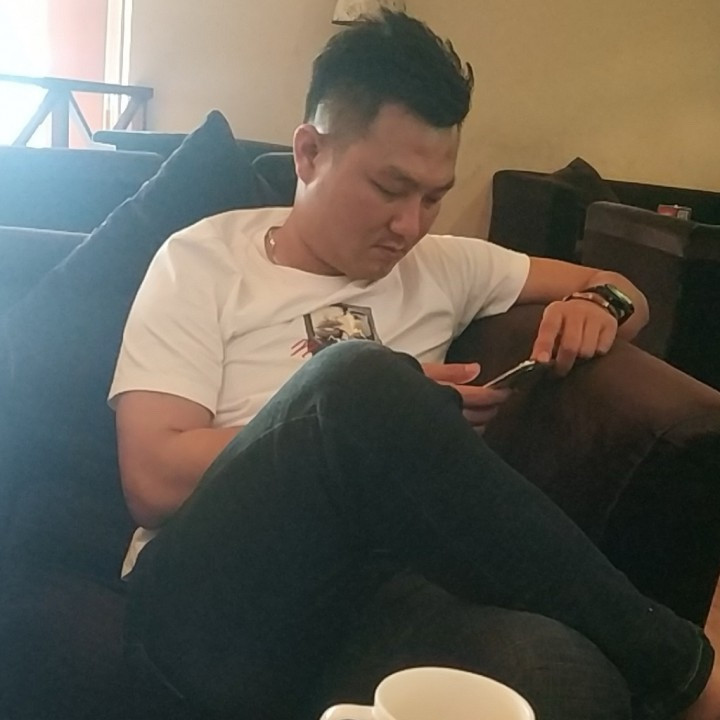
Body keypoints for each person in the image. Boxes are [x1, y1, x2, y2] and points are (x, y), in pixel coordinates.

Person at [109, 10, 719, 720]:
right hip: (212, 597)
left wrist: (601, 305)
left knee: (563, 676)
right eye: (388, 188)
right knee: (360, 381)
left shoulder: (445, 265)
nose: (410, 225)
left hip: (369, 599)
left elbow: (624, 289)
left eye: (434, 197)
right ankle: (689, 676)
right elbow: (151, 477)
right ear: (309, 153)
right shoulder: (201, 260)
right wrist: (367, 419)